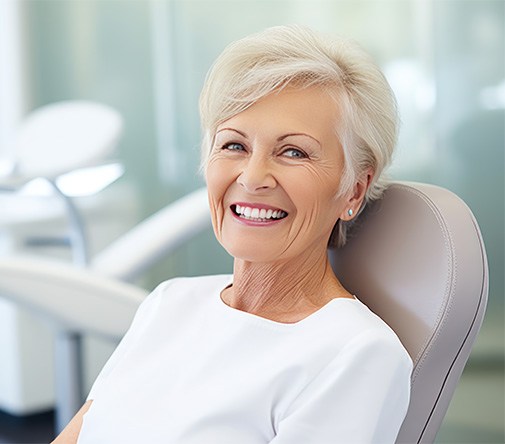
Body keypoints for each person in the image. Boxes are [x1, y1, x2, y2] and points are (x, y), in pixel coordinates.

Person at [54, 24, 412, 443]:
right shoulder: (169, 302)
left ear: (354, 188)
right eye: (234, 146)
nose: (254, 176)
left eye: (293, 151)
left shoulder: (358, 354)